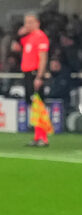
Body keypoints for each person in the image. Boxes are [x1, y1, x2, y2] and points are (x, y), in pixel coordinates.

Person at [17, 12, 50, 147]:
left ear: (37, 22)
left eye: (30, 22)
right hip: (27, 74)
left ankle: (43, 138)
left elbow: (43, 58)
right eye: (26, 22)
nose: (27, 25)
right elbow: (16, 43)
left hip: (35, 74)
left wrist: (39, 77)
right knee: (33, 106)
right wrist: (19, 33)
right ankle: (38, 137)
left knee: (38, 105)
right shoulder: (28, 38)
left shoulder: (41, 37)